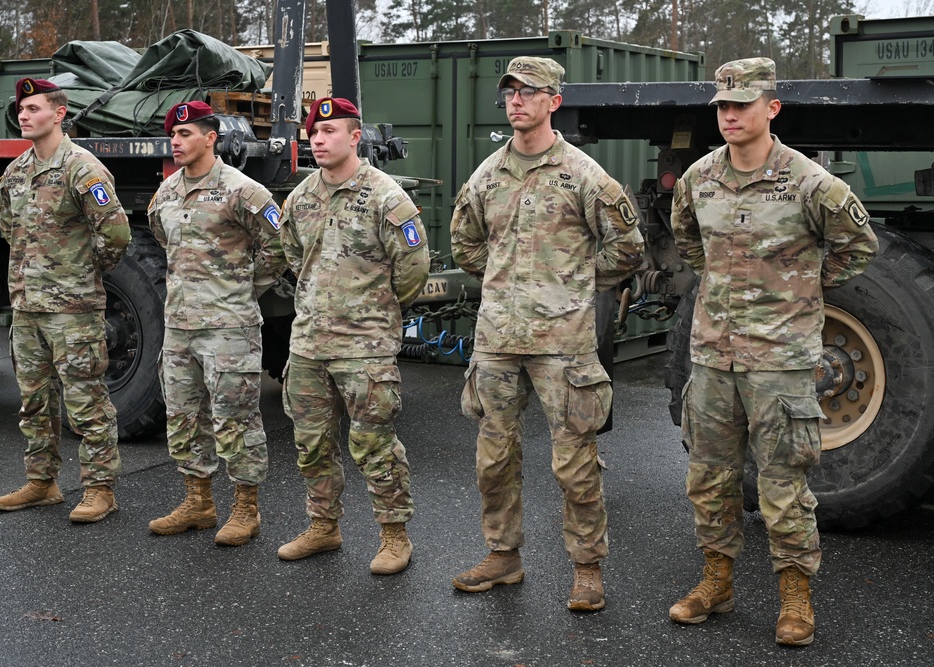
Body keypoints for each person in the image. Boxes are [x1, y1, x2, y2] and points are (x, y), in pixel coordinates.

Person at [669, 58, 879, 645]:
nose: (730, 115)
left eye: (742, 104)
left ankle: (795, 597)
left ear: (772, 108)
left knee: (783, 486)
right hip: (713, 357)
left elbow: (858, 245)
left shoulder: (810, 182)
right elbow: (689, 241)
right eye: (723, 106)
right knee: (709, 479)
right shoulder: (699, 179)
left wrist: (802, 287)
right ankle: (717, 582)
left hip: (780, 362)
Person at [450, 57, 645, 611]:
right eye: (510, 91)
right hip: (498, 340)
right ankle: (502, 556)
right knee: (493, 459)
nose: (516, 100)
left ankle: (587, 569)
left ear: (554, 101)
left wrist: (572, 284)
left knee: (575, 463)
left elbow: (627, 248)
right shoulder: (487, 175)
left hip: (563, 342)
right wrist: (508, 281)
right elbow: (464, 243)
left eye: (528, 91)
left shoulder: (583, 175)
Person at [276, 97, 429, 575]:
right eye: (313, 134)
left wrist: (375, 310)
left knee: (374, 444)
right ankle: (323, 526)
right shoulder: (301, 197)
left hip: (365, 347)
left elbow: (413, 268)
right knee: (311, 443)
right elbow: (293, 256)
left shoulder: (386, 197)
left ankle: (394, 536)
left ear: (355, 137)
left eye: (330, 132)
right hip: (309, 343)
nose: (318, 140)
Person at [147, 101, 287, 547]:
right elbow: (161, 238)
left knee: (235, 418)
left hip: (229, 327)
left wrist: (243, 287)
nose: (176, 141)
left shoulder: (243, 191)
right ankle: (198, 502)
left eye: (185, 134)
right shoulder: (166, 192)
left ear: (211, 138)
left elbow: (279, 245)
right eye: (173, 135)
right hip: (179, 327)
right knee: (184, 416)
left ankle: (246, 509)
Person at [0, 78, 130, 523]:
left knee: (86, 401)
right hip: (27, 307)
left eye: (34, 108)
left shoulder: (81, 168)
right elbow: (10, 229)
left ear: (59, 113)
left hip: (73, 310)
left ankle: (100, 489)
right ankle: (42, 482)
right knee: (34, 401)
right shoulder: (16, 171)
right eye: (21, 109)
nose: (24, 115)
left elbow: (115, 233)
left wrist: (82, 274)